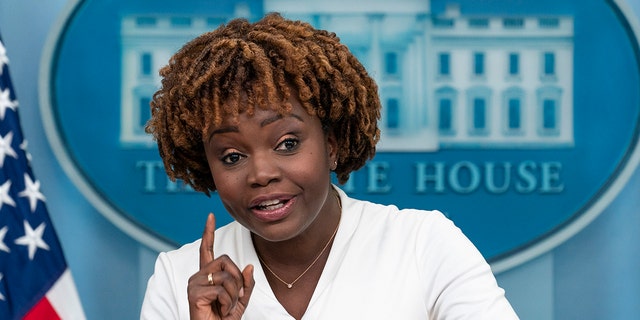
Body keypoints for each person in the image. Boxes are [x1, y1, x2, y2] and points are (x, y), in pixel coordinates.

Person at [140, 12, 518, 320]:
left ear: (332, 145)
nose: (261, 174)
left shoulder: (424, 245)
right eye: (232, 157)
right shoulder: (179, 278)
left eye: (288, 143)